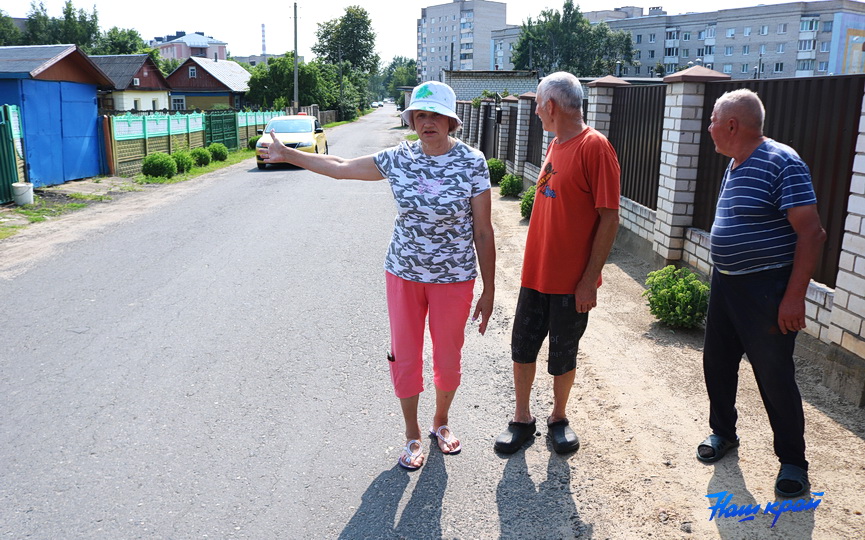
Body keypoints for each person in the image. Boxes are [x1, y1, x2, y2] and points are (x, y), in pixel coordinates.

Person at [260, 81, 495, 471]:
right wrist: (289, 154)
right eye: (421, 114)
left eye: (436, 114)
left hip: (454, 278)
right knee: (405, 354)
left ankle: (441, 422)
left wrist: (489, 289)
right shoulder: (400, 158)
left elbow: (484, 231)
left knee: (449, 356)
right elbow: (340, 168)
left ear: (451, 121)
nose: (428, 122)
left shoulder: (472, 162)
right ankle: (412, 434)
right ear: (412, 119)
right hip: (404, 274)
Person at [695, 88, 826, 499]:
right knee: (717, 363)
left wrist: (793, 297)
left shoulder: (782, 162)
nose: (709, 127)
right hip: (727, 282)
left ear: (732, 125)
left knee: (773, 376)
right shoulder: (735, 163)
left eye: (714, 120)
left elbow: (812, 233)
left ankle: (792, 461)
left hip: (767, 289)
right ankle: (724, 433)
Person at [494, 71, 620, 455]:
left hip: (570, 283)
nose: (535, 112)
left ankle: (558, 418)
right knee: (523, 348)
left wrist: (588, 279)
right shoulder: (557, 143)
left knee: (563, 353)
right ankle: (522, 419)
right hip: (536, 273)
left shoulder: (594, 147)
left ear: (550, 106)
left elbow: (609, 217)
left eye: (537, 105)